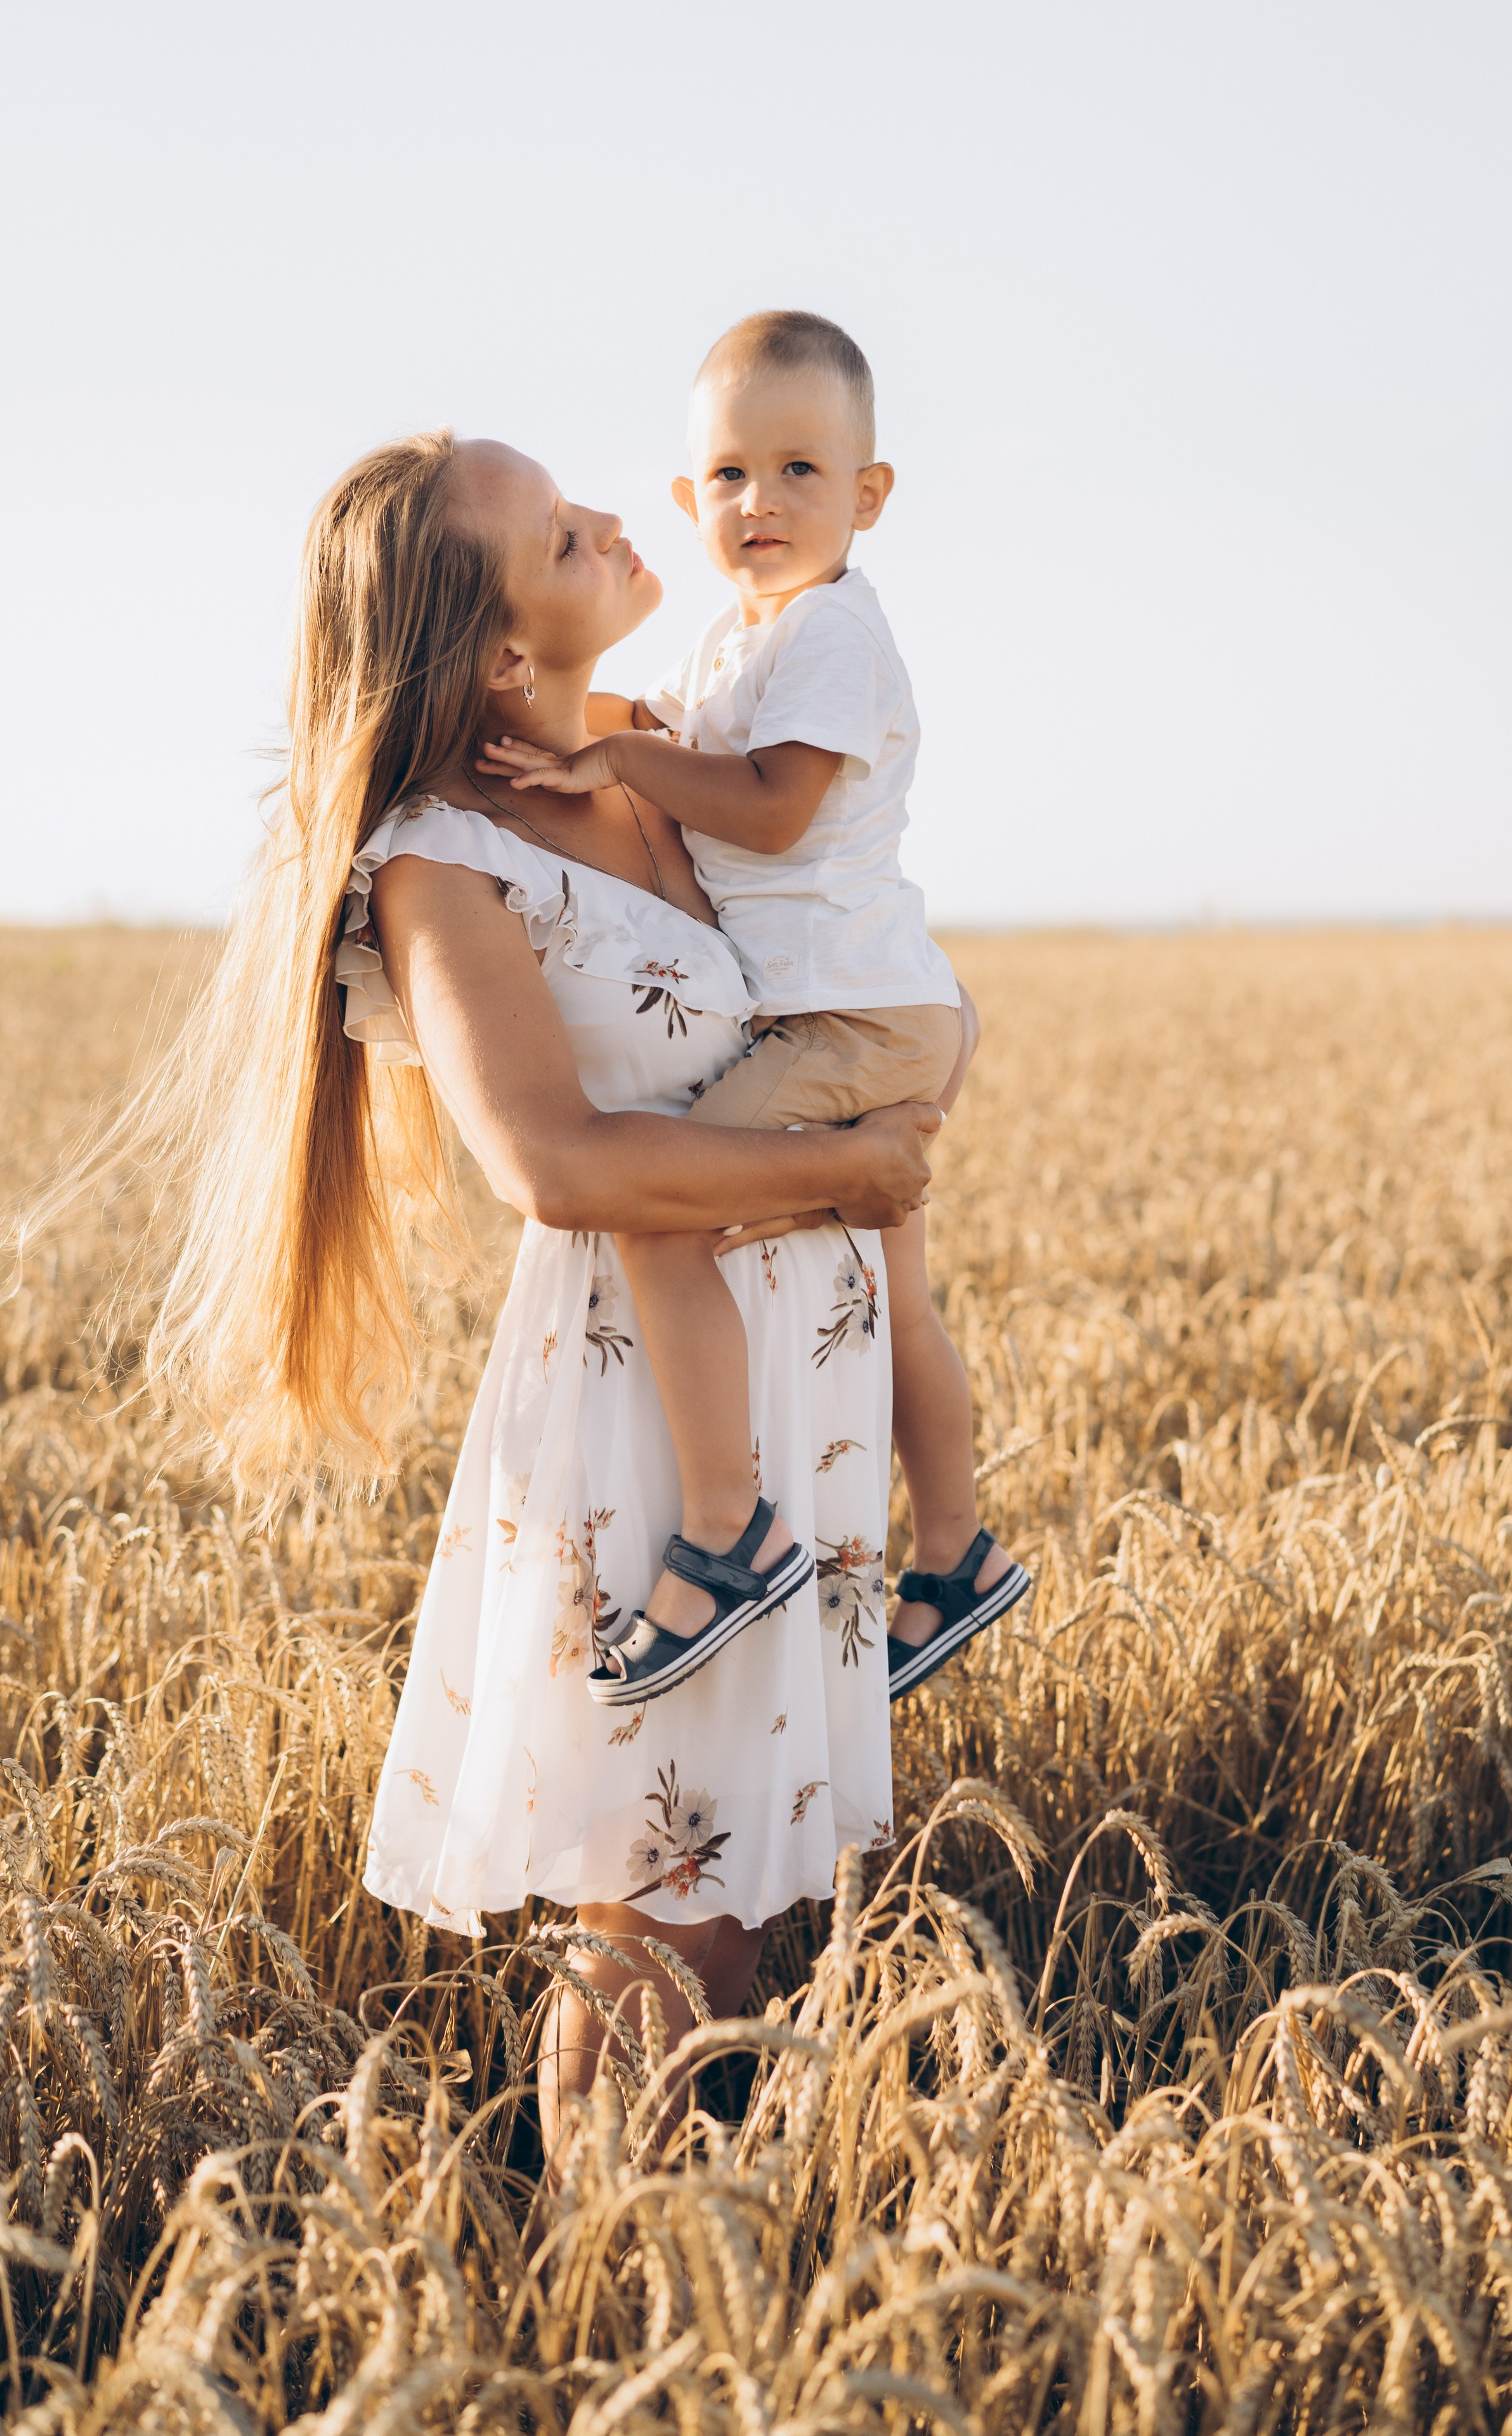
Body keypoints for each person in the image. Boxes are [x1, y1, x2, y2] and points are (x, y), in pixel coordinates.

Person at [100, 428, 939, 2146]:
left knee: (752, 1906)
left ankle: (721, 2355)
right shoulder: (439, 856)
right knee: (658, 1928)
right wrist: (849, 1174)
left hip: (797, 1390)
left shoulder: (649, 777)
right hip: (653, 1431)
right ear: (495, 651)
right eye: (564, 536)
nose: (624, 525)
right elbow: (553, 1166)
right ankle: (606, 2324)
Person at [479, 311, 1030, 1711]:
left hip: (847, 1023)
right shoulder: (743, 636)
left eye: (798, 471)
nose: (759, 503)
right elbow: (656, 727)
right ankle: (955, 1553)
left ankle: (730, 1530)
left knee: (661, 1222)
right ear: (689, 498)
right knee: (898, 1294)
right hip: (874, 1004)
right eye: (728, 476)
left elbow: (774, 816)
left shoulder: (831, 635)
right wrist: (536, 720)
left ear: (867, 497)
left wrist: (608, 755)